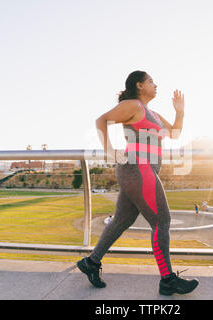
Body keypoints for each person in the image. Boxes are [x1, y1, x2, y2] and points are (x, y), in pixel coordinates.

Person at [77, 70, 198, 295]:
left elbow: (174, 134)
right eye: (151, 81)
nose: (156, 84)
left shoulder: (152, 113)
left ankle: (91, 263)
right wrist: (110, 151)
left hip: (141, 171)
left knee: (122, 220)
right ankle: (167, 279)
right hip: (137, 168)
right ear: (140, 85)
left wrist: (179, 112)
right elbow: (101, 120)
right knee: (162, 221)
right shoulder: (134, 106)